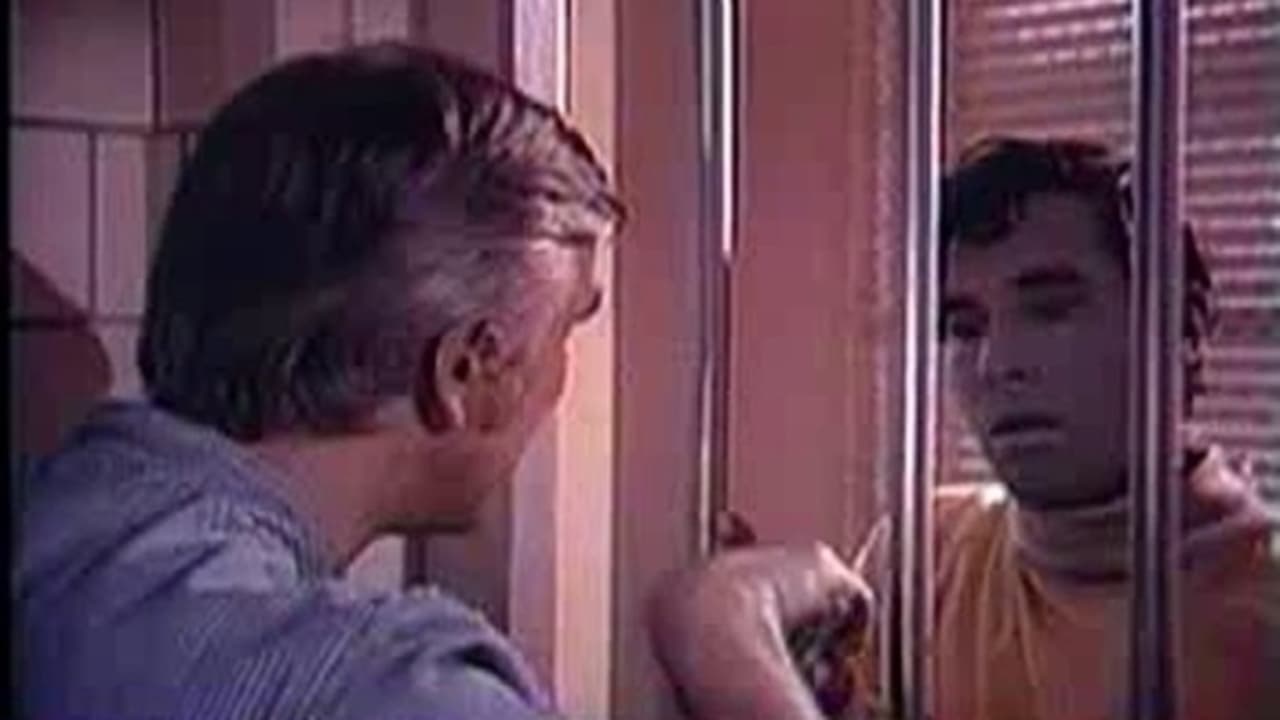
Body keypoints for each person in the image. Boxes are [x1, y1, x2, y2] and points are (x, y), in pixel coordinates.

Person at [15, 43, 867, 720]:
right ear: (467, 373)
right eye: (570, 325)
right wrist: (724, 638)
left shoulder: (63, 519)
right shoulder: (388, 691)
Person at [842, 136, 1280, 719]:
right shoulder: (921, 559)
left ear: (1180, 331)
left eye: (1050, 310)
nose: (998, 363)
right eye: (965, 326)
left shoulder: (1261, 610)